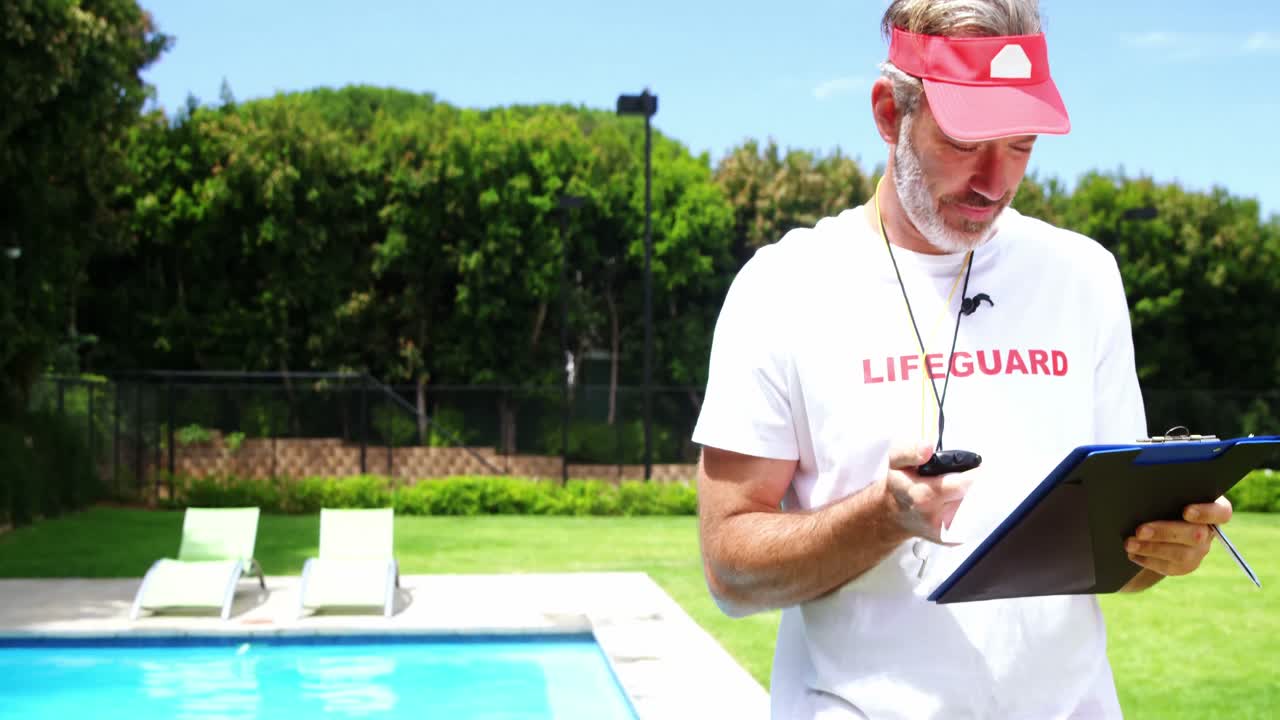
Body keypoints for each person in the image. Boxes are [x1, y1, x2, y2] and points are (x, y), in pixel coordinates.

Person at [691, 1, 1234, 718]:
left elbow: (1117, 563)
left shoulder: (1085, 275)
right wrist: (883, 518)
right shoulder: (784, 286)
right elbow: (730, 566)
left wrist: (1165, 547)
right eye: (963, 141)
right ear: (890, 112)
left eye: (1021, 146)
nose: (994, 182)